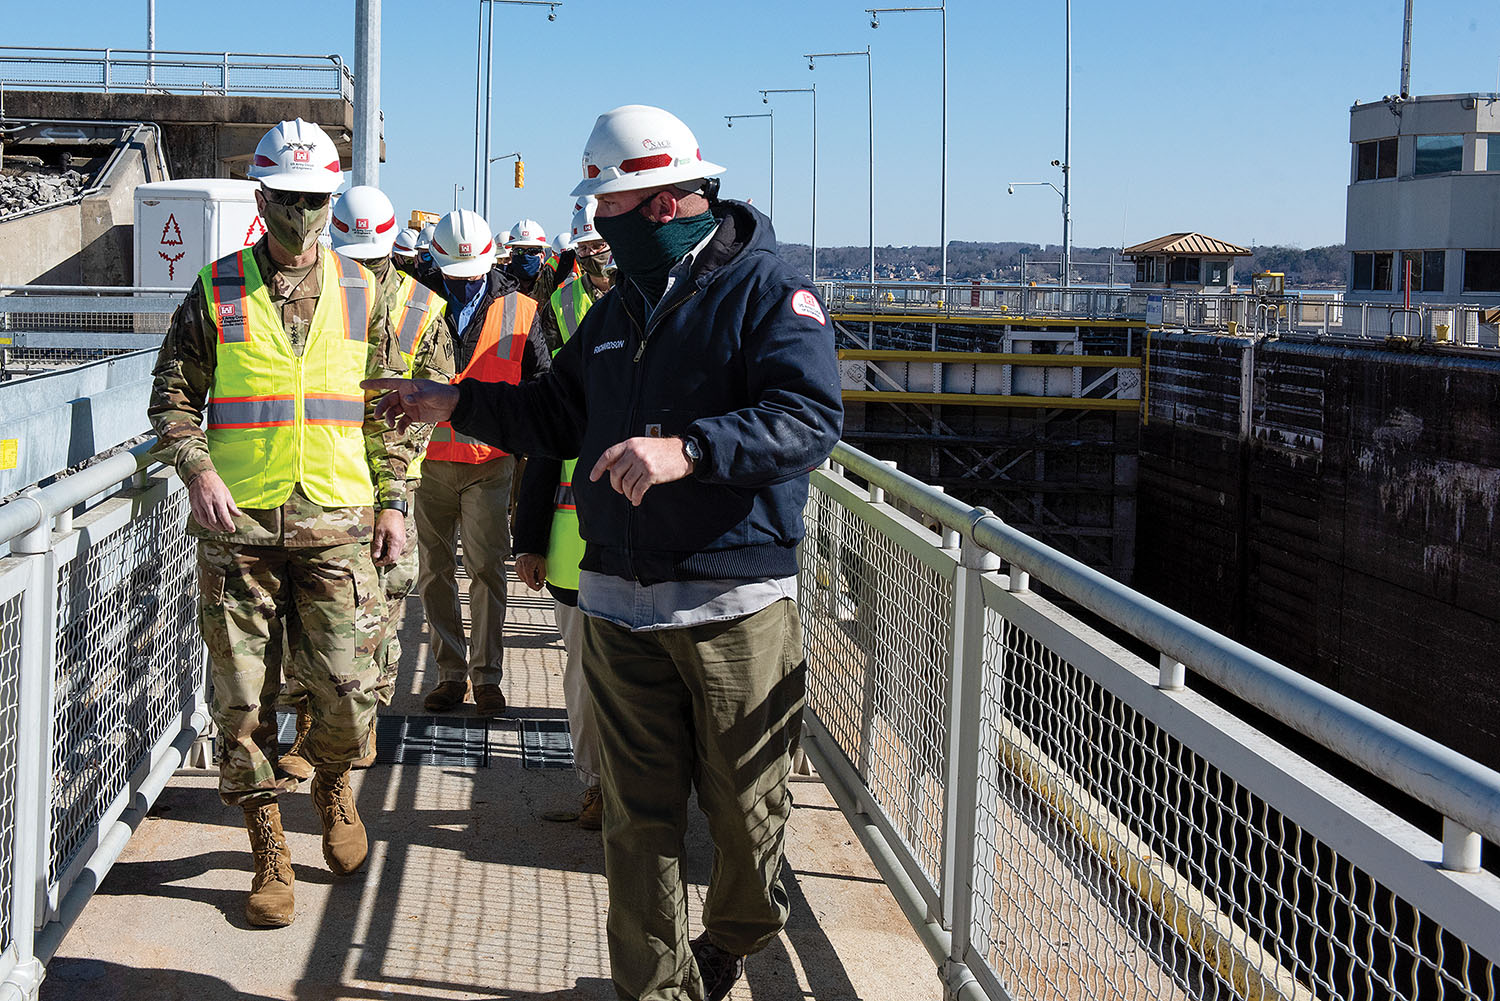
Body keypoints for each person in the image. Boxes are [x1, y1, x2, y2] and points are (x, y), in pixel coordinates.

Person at [365, 104, 842, 1001]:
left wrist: (692, 448)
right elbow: (553, 413)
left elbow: (809, 418)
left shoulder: (768, 293)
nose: (598, 224)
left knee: (745, 818)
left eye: (609, 206)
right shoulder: (619, 308)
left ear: (662, 203)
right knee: (637, 823)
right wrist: (450, 401)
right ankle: (656, 989)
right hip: (621, 607)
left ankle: (739, 926)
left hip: (731, 606)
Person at [148, 118, 410, 928]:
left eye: (318, 201)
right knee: (242, 699)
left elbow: (388, 412)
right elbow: (173, 395)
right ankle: (268, 847)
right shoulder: (218, 287)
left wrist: (394, 499)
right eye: (291, 200)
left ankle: (333, 783)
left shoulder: (366, 293)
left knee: (346, 687)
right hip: (241, 532)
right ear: (264, 198)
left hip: (337, 521)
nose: (305, 216)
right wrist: (196, 469)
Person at [327, 185, 455, 767]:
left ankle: (368, 716)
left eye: (372, 262)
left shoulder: (422, 309)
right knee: (323, 616)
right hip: (325, 477)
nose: (363, 272)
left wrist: (393, 494)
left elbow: (430, 406)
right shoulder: (315, 294)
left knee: (381, 606)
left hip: (389, 483)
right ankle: (322, 727)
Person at [415, 208, 548, 717]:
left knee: (488, 570)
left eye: (471, 277)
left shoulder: (521, 309)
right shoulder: (419, 300)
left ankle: (486, 677)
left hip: (490, 461)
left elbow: (540, 384)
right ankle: (450, 675)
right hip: (429, 462)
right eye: (455, 276)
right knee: (433, 572)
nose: (464, 285)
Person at [512, 196, 613, 829]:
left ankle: (643, 793)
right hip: (578, 544)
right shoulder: (561, 313)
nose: (603, 261)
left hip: (660, 548)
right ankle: (597, 785)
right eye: (594, 250)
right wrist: (530, 538)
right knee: (583, 676)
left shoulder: (683, 304)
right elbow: (547, 432)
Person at [503, 217, 548, 299]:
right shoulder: (499, 287)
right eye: (519, 251)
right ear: (511, 256)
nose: (526, 256)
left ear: (542, 256)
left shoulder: (551, 286)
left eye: (532, 251)